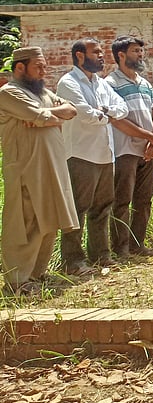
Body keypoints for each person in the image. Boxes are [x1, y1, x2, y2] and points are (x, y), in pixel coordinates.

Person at [0, 47, 79, 293]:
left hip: (52, 167)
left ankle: (36, 275)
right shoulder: (9, 93)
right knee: (24, 223)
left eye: (45, 66)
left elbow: (71, 110)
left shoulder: (43, 92)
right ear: (20, 67)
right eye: (39, 66)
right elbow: (42, 116)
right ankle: (16, 281)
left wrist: (45, 116)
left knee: (50, 219)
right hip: (25, 167)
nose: (44, 71)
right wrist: (47, 117)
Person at [56, 37, 130, 272]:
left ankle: (101, 256)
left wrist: (104, 112)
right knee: (78, 208)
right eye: (95, 52)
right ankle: (73, 261)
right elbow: (85, 114)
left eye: (101, 52)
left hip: (105, 154)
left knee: (102, 208)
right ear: (80, 55)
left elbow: (122, 108)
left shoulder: (100, 83)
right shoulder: (68, 82)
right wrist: (106, 114)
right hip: (81, 154)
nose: (101, 56)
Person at [106, 36, 153, 257]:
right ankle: (120, 248)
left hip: (147, 151)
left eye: (141, 51)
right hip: (125, 150)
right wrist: (149, 136)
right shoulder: (110, 84)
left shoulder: (145, 83)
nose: (140, 55)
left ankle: (137, 245)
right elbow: (117, 120)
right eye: (135, 51)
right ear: (121, 55)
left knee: (143, 199)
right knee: (122, 200)